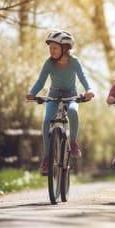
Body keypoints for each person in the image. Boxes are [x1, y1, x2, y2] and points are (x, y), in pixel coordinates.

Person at [26, 30, 95, 175]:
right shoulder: (49, 63)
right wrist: (32, 93)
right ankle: (46, 157)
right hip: (53, 96)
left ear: (65, 49)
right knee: (46, 121)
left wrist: (88, 90)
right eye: (50, 48)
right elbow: (40, 81)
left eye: (55, 48)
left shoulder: (74, 62)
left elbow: (83, 78)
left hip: (71, 95)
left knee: (73, 111)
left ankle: (73, 142)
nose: (51, 51)